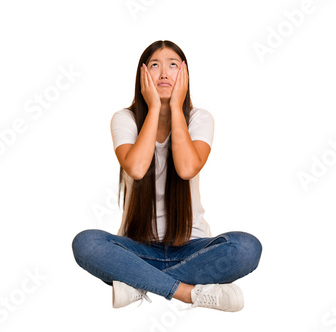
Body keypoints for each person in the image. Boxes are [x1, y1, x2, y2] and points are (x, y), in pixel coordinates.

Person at [72, 40, 262, 312]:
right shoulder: (124, 119)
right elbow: (136, 168)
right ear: (143, 75)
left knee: (246, 248)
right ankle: (186, 292)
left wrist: (175, 107)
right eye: (155, 66)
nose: (164, 74)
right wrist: (152, 110)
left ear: (184, 75)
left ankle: (137, 282)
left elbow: (186, 168)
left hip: (192, 248)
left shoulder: (199, 118)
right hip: (137, 250)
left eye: (173, 65)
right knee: (86, 243)